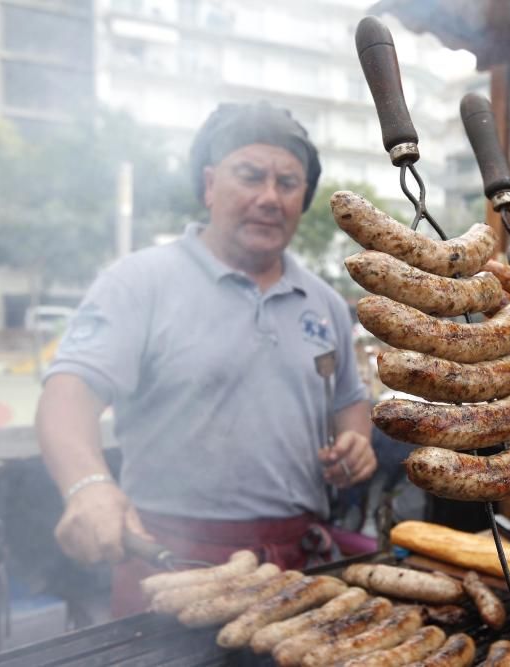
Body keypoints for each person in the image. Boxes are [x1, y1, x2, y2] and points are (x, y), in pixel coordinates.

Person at [35, 101, 376, 617]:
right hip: (169, 560)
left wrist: (358, 442)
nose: (269, 197)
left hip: (299, 567)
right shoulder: (139, 282)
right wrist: (87, 486)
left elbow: (350, 400)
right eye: (250, 176)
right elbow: (67, 396)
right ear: (210, 184)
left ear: (303, 197)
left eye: (287, 183)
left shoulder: (324, 303)